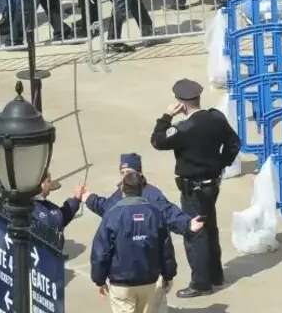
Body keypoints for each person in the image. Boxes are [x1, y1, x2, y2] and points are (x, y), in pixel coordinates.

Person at [150, 78, 240, 298]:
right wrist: (220, 164)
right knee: (210, 229)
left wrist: (166, 116)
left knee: (195, 233)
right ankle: (215, 275)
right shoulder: (216, 118)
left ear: (181, 104)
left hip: (193, 189)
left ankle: (201, 283)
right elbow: (234, 143)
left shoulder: (183, 129)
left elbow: (157, 141)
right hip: (212, 184)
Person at [89, 167, 178, 311]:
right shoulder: (155, 214)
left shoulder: (112, 215)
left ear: (122, 190)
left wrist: (99, 280)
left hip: (122, 285)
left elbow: (101, 252)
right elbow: (166, 249)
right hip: (150, 282)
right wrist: (168, 275)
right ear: (141, 189)